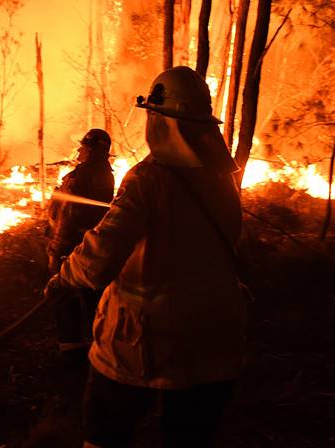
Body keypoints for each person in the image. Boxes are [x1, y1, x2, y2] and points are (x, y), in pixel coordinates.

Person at [46, 66, 247, 448]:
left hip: (141, 342)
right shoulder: (223, 178)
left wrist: (63, 277)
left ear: (160, 120)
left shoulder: (147, 180)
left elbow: (101, 253)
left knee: (106, 430)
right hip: (215, 336)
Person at [46, 129, 115, 356]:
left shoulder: (80, 177)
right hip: (91, 243)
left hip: (71, 245)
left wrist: (56, 250)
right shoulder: (106, 174)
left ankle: (71, 347)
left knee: (64, 292)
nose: (79, 150)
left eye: (83, 147)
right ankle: (98, 342)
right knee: (91, 294)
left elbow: (67, 216)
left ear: (91, 150)